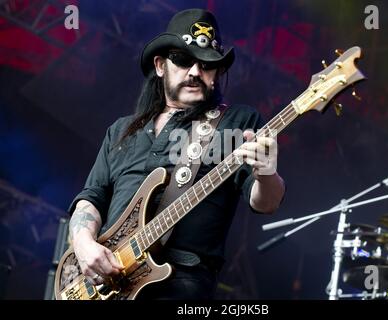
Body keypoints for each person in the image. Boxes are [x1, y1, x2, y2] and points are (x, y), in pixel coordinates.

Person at [68, 8, 285, 300]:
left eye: (207, 64)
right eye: (183, 60)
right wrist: (83, 244)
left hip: (180, 284)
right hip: (108, 283)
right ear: (160, 65)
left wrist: (266, 172)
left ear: (217, 73)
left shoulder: (238, 122)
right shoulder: (121, 131)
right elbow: (90, 199)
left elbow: (266, 202)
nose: (195, 72)